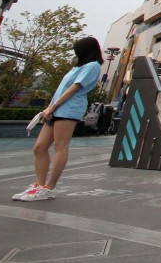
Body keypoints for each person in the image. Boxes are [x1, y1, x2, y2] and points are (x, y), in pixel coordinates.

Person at [13, 37, 103, 202]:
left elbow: (74, 88)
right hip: (57, 108)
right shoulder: (78, 67)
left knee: (60, 147)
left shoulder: (93, 66)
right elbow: (62, 89)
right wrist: (49, 107)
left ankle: (50, 188)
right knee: (39, 148)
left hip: (69, 109)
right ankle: (38, 186)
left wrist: (53, 107)